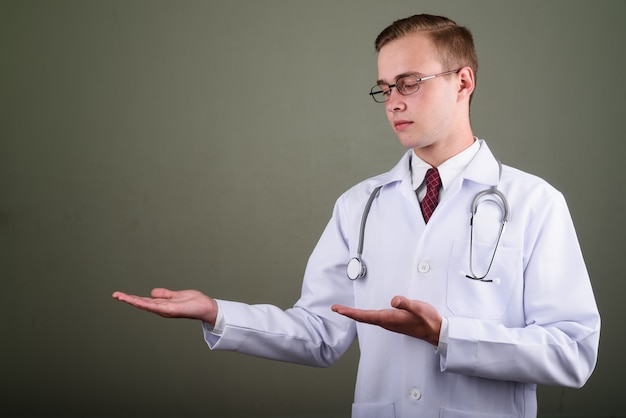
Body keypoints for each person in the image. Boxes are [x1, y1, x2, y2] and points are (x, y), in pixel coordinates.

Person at [112, 14, 600, 418]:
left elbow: (573, 353)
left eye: (409, 83)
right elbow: (320, 334)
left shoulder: (535, 202)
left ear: (463, 82)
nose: (393, 102)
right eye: (384, 88)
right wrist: (218, 313)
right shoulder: (359, 206)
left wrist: (449, 336)